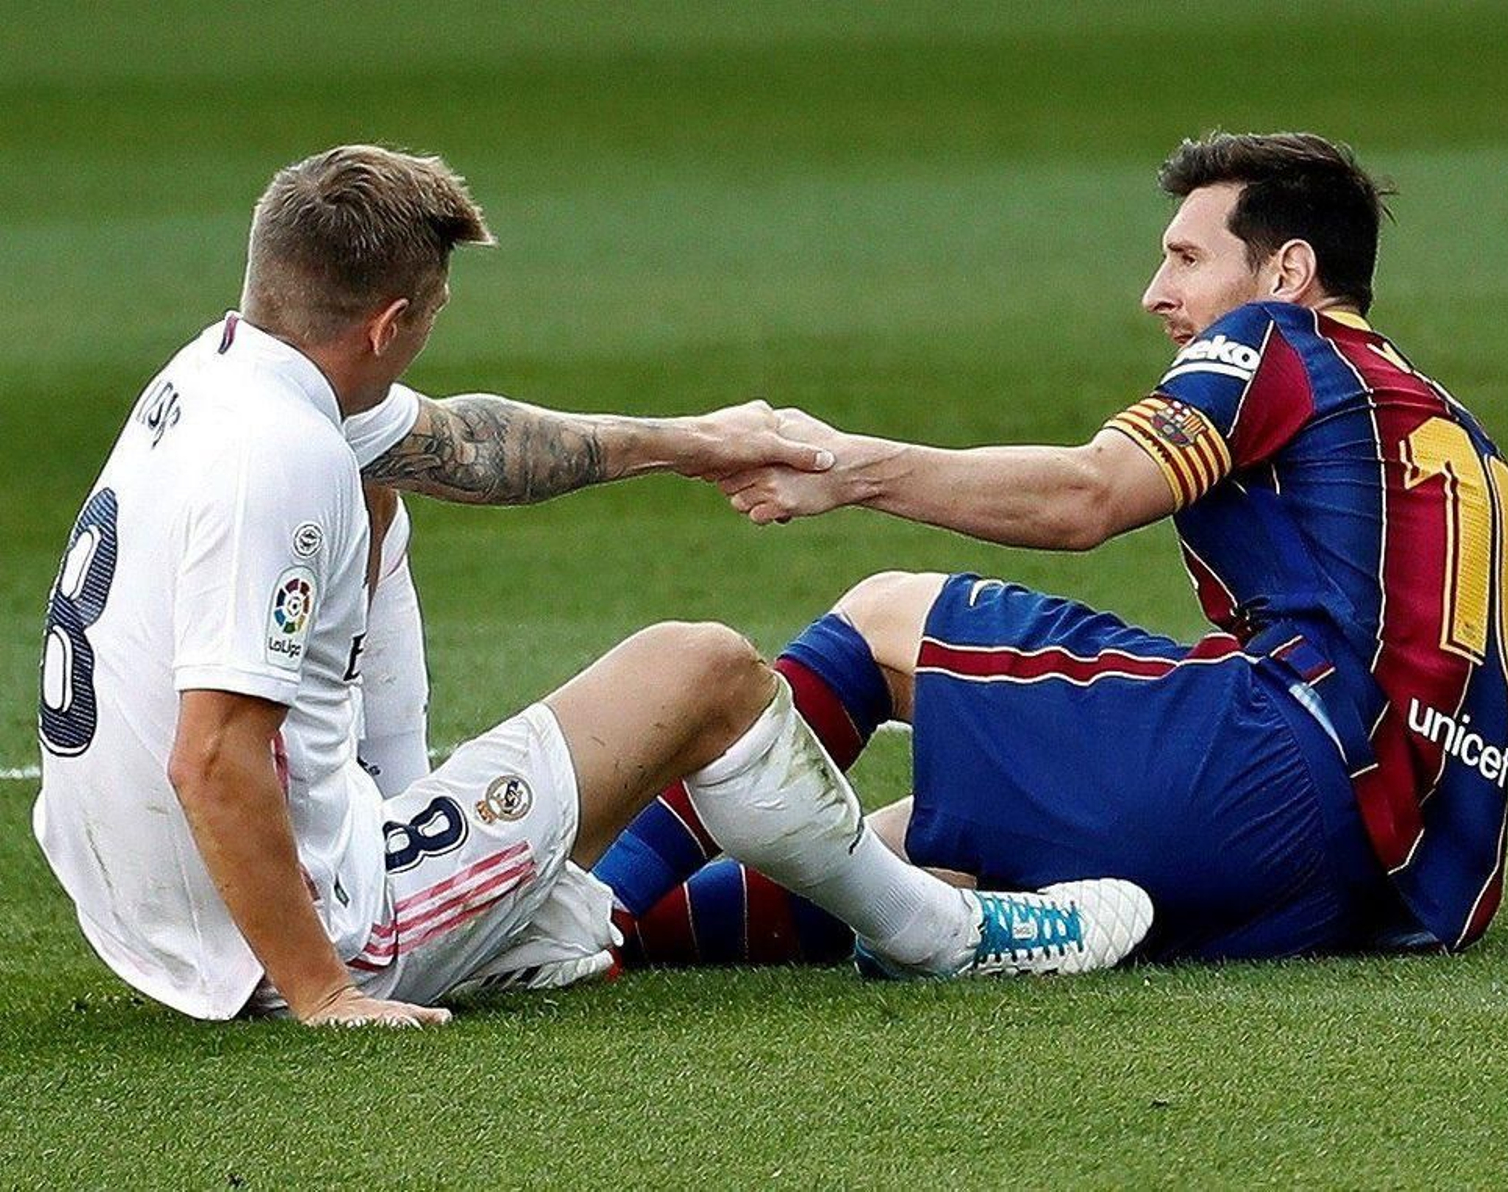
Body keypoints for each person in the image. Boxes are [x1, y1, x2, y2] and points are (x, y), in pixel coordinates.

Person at [32, 145, 1154, 1028]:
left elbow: (465, 444)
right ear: (390, 324)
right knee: (705, 671)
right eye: (432, 314)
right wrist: (327, 992)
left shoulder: (225, 375)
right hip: (286, 939)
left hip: (144, 911)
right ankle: (938, 936)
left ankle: (448, 859)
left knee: (382, 490)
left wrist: (692, 441)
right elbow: (213, 756)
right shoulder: (279, 459)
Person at [595, 132, 1508, 967]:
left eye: (1186, 258)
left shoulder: (1280, 342)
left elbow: (1089, 496)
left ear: (1287, 273)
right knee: (919, 846)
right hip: (1401, 893)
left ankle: (588, 909)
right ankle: (621, 942)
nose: (1156, 294)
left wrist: (849, 468)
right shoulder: (1463, 444)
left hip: (1282, 776)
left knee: (885, 617)